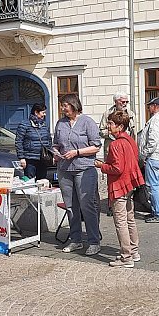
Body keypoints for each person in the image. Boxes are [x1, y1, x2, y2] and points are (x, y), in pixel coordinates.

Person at [54, 93, 103, 255]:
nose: (63, 108)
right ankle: (75, 239)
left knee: (86, 205)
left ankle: (94, 241)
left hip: (84, 169)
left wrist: (76, 152)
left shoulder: (87, 122)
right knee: (70, 206)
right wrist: (55, 152)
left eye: (65, 105)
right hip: (64, 169)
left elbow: (96, 146)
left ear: (74, 105)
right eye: (62, 106)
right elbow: (56, 144)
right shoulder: (60, 123)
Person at [95, 110, 145, 268]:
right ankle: (134, 251)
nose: (108, 126)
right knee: (130, 219)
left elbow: (116, 168)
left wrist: (101, 166)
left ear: (120, 126)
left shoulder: (116, 144)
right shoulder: (129, 139)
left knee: (121, 221)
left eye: (111, 123)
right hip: (130, 184)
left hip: (119, 185)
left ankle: (126, 257)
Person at [139, 97, 159, 223]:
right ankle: (156, 211)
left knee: (153, 186)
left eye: (150, 105)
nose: (148, 108)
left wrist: (144, 154)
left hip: (154, 156)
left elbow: (153, 141)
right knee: (155, 185)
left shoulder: (156, 120)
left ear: (155, 106)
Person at [15, 103, 52, 181]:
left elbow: (49, 140)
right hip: (30, 159)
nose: (44, 115)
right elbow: (19, 141)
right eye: (43, 112)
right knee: (29, 182)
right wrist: (21, 158)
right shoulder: (24, 125)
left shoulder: (44, 125)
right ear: (36, 112)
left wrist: (50, 154)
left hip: (43, 159)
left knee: (42, 182)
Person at [99, 91, 137, 156]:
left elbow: (134, 133)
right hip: (111, 148)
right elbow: (101, 131)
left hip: (126, 148)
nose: (125, 104)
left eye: (126, 102)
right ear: (116, 101)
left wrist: (134, 149)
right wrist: (113, 134)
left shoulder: (131, 114)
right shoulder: (107, 114)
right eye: (122, 102)